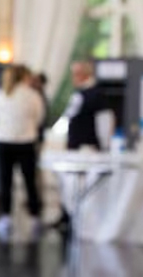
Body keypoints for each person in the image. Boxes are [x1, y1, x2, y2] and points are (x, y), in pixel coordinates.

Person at [49, 60, 114, 233]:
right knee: (69, 183)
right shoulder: (80, 94)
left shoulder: (96, 95)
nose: (73, 77)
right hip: (76, 147)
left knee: (82, 184)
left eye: (76, 73)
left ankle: (79, 217)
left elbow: (105, 123)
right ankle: (68, 215)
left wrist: (104, 146)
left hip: (88, 148)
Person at [0, 65, 45, 240]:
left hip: (3, 141)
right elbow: (39, 117)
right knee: (30, 180)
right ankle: (35, 217)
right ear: (24, 77)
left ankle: (6, 216)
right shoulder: (33, 96)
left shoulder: (0, 95)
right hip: (26, 142)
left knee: (5, 180)